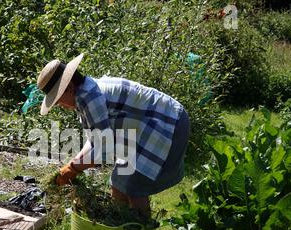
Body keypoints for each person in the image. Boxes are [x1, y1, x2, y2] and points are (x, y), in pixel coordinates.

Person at [37, 54, 190, 219]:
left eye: (58, 99)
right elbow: (95, 141)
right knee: (118, 182)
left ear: (69, 87)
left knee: (132, 184)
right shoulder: (83, 94)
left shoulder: (90, 98)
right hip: (147, 128)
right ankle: (118, 229)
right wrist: (72, 165)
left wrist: (73, 169)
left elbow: (105, 150)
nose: (59, 105)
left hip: (167, 122)